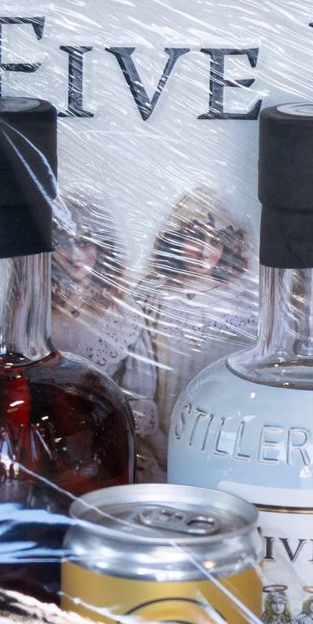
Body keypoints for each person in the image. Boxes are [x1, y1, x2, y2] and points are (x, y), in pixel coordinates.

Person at [131, 189, 255, 479]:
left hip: (221, 440)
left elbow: (243, 380)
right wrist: (159, 442)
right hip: (161, 438)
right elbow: (140, 377)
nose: (205, 252)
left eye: (215, 241)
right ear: (176, 239)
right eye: (196, 238)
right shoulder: (152, 297)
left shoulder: (243, 304)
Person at [50, 190, 158, 447]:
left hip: (106, 438)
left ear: (101, 247)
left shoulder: (121, 311)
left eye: (84, 243)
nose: (74, 256)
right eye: (62, 243)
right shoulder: (33, 305)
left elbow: (140, 390)